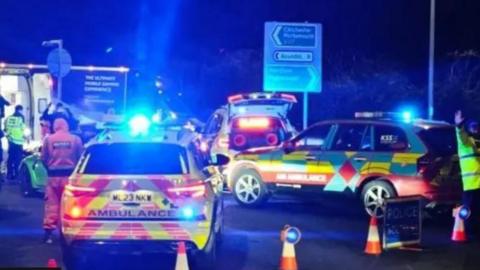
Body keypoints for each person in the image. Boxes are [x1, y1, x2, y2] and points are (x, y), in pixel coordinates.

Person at [42, 117, 83, 244]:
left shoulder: (48, 139)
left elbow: (43, 157)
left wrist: (50, 167)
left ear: (55, 126)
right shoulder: (75, 139)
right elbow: (80, 157)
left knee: (52, 205)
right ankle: (68, 233)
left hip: (53, 177)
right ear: (66, 126)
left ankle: (48, 234)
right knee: (70, 205)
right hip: (70, 178)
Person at [454, 110, 480, 238]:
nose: (476, 129)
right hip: (470, 184)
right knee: (469, 211)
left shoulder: (476, 143)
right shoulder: (465, 142)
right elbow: (461, 134)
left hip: (478, 184)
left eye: (477, 127)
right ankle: (467, 232)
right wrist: (459, 125)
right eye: (473, 127)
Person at [4, 105, 25, 181]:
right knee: (18, 158)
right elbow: (23, 129)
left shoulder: (8, 118)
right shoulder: (21, 117)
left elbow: (5, 129)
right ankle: (16, 174)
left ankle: (9, 173)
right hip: (19, 142)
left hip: (11, 141)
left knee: (11, 157)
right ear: (20, 110)